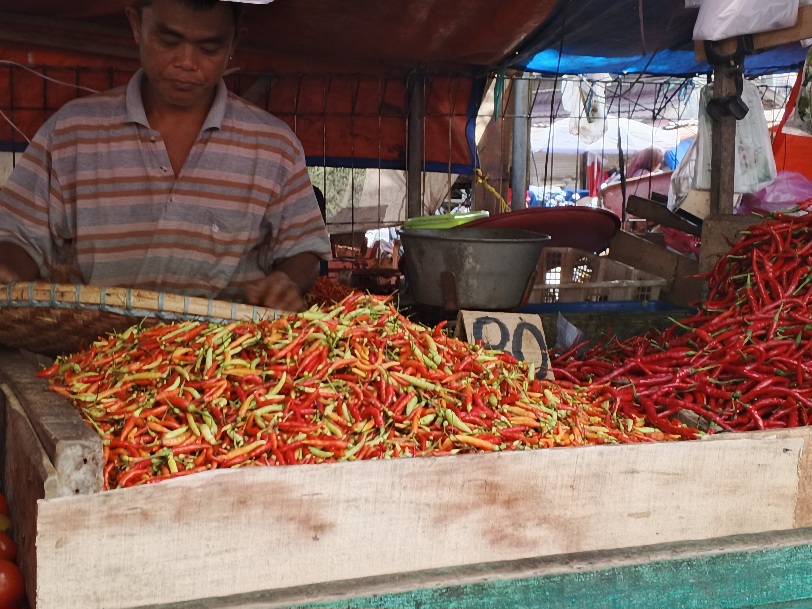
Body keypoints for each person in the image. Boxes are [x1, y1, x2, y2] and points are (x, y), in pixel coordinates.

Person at [0, 0, 331, 312]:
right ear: (136, 25)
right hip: (97, 353)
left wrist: (286, 282)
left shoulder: (275, 146)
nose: (186, 62)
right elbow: (16, 235)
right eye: (169, 40)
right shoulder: (72, 131)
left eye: (209, 47)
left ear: (234, 42)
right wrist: (8, 272)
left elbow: (303, 250)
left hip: (228, 361)